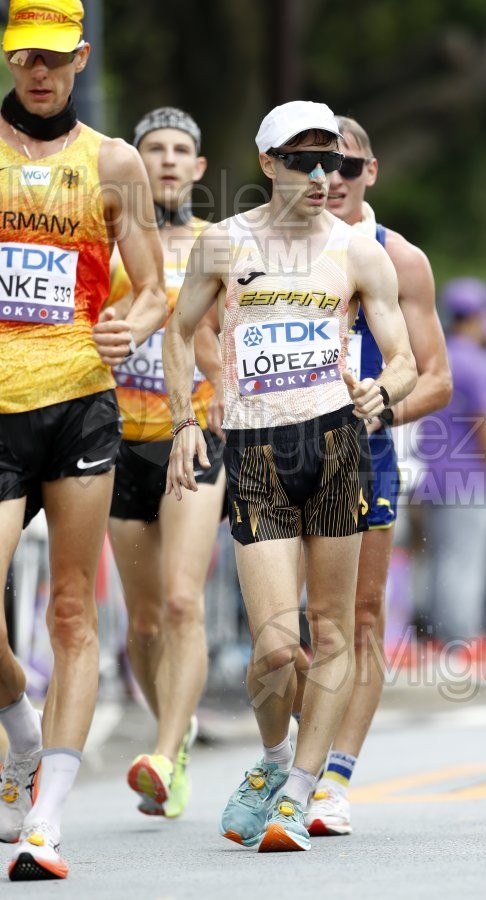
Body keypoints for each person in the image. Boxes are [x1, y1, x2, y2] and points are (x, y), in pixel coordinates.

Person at [162, 99, 417, 853]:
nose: (320, 176)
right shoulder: (223, 242)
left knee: (331, 630)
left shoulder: (360, 251)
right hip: (255, 450)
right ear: (267, 163)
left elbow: (403, 358)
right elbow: (179, 330)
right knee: (275, 646)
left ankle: (300, 794)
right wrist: (183, 422)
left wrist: (384, 391)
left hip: (335, 446)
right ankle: (274, 759)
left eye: (330, 161)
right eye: (302, 161)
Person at [0, 0, 166, 881]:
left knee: (70, 610)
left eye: (55, 58)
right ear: (8, 58)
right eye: (26, 57)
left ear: (81, 58)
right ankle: (21, 733)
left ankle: (46, 823)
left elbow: (153, 288)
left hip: (78, 401)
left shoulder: (112, 161)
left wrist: (131, 326)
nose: (40, 73)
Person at [304, 115, 452, 836]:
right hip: (281, 451)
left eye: (347, 165)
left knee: (360, 618)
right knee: (287, 628)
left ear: (371, 172)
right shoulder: (271, 246)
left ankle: (333, 779)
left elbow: (437, 380)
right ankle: (290, 756)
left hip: (366, 453)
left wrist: (379, 411)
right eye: (317, 163)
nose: (331, 178)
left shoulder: (402, 258)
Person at [104, 107, 226, 819]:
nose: (169, 160)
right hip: (118, 443)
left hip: (195, 437)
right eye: (155, 148)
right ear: (136, 163)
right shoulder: (111, 244)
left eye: (182, 149)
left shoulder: (218, 244)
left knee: (183, 601)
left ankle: (164, 750)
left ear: (199, 167)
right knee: (145, 622)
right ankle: (168, 736)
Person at [416, 278, 486, 643]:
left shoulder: (438, 356)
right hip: (469, 476)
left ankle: (438, 637)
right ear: (477, 317)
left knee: (441, 560)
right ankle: (461, 640)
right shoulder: (475, 361)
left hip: (434, 475)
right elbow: (484, 427)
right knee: (467, 562)